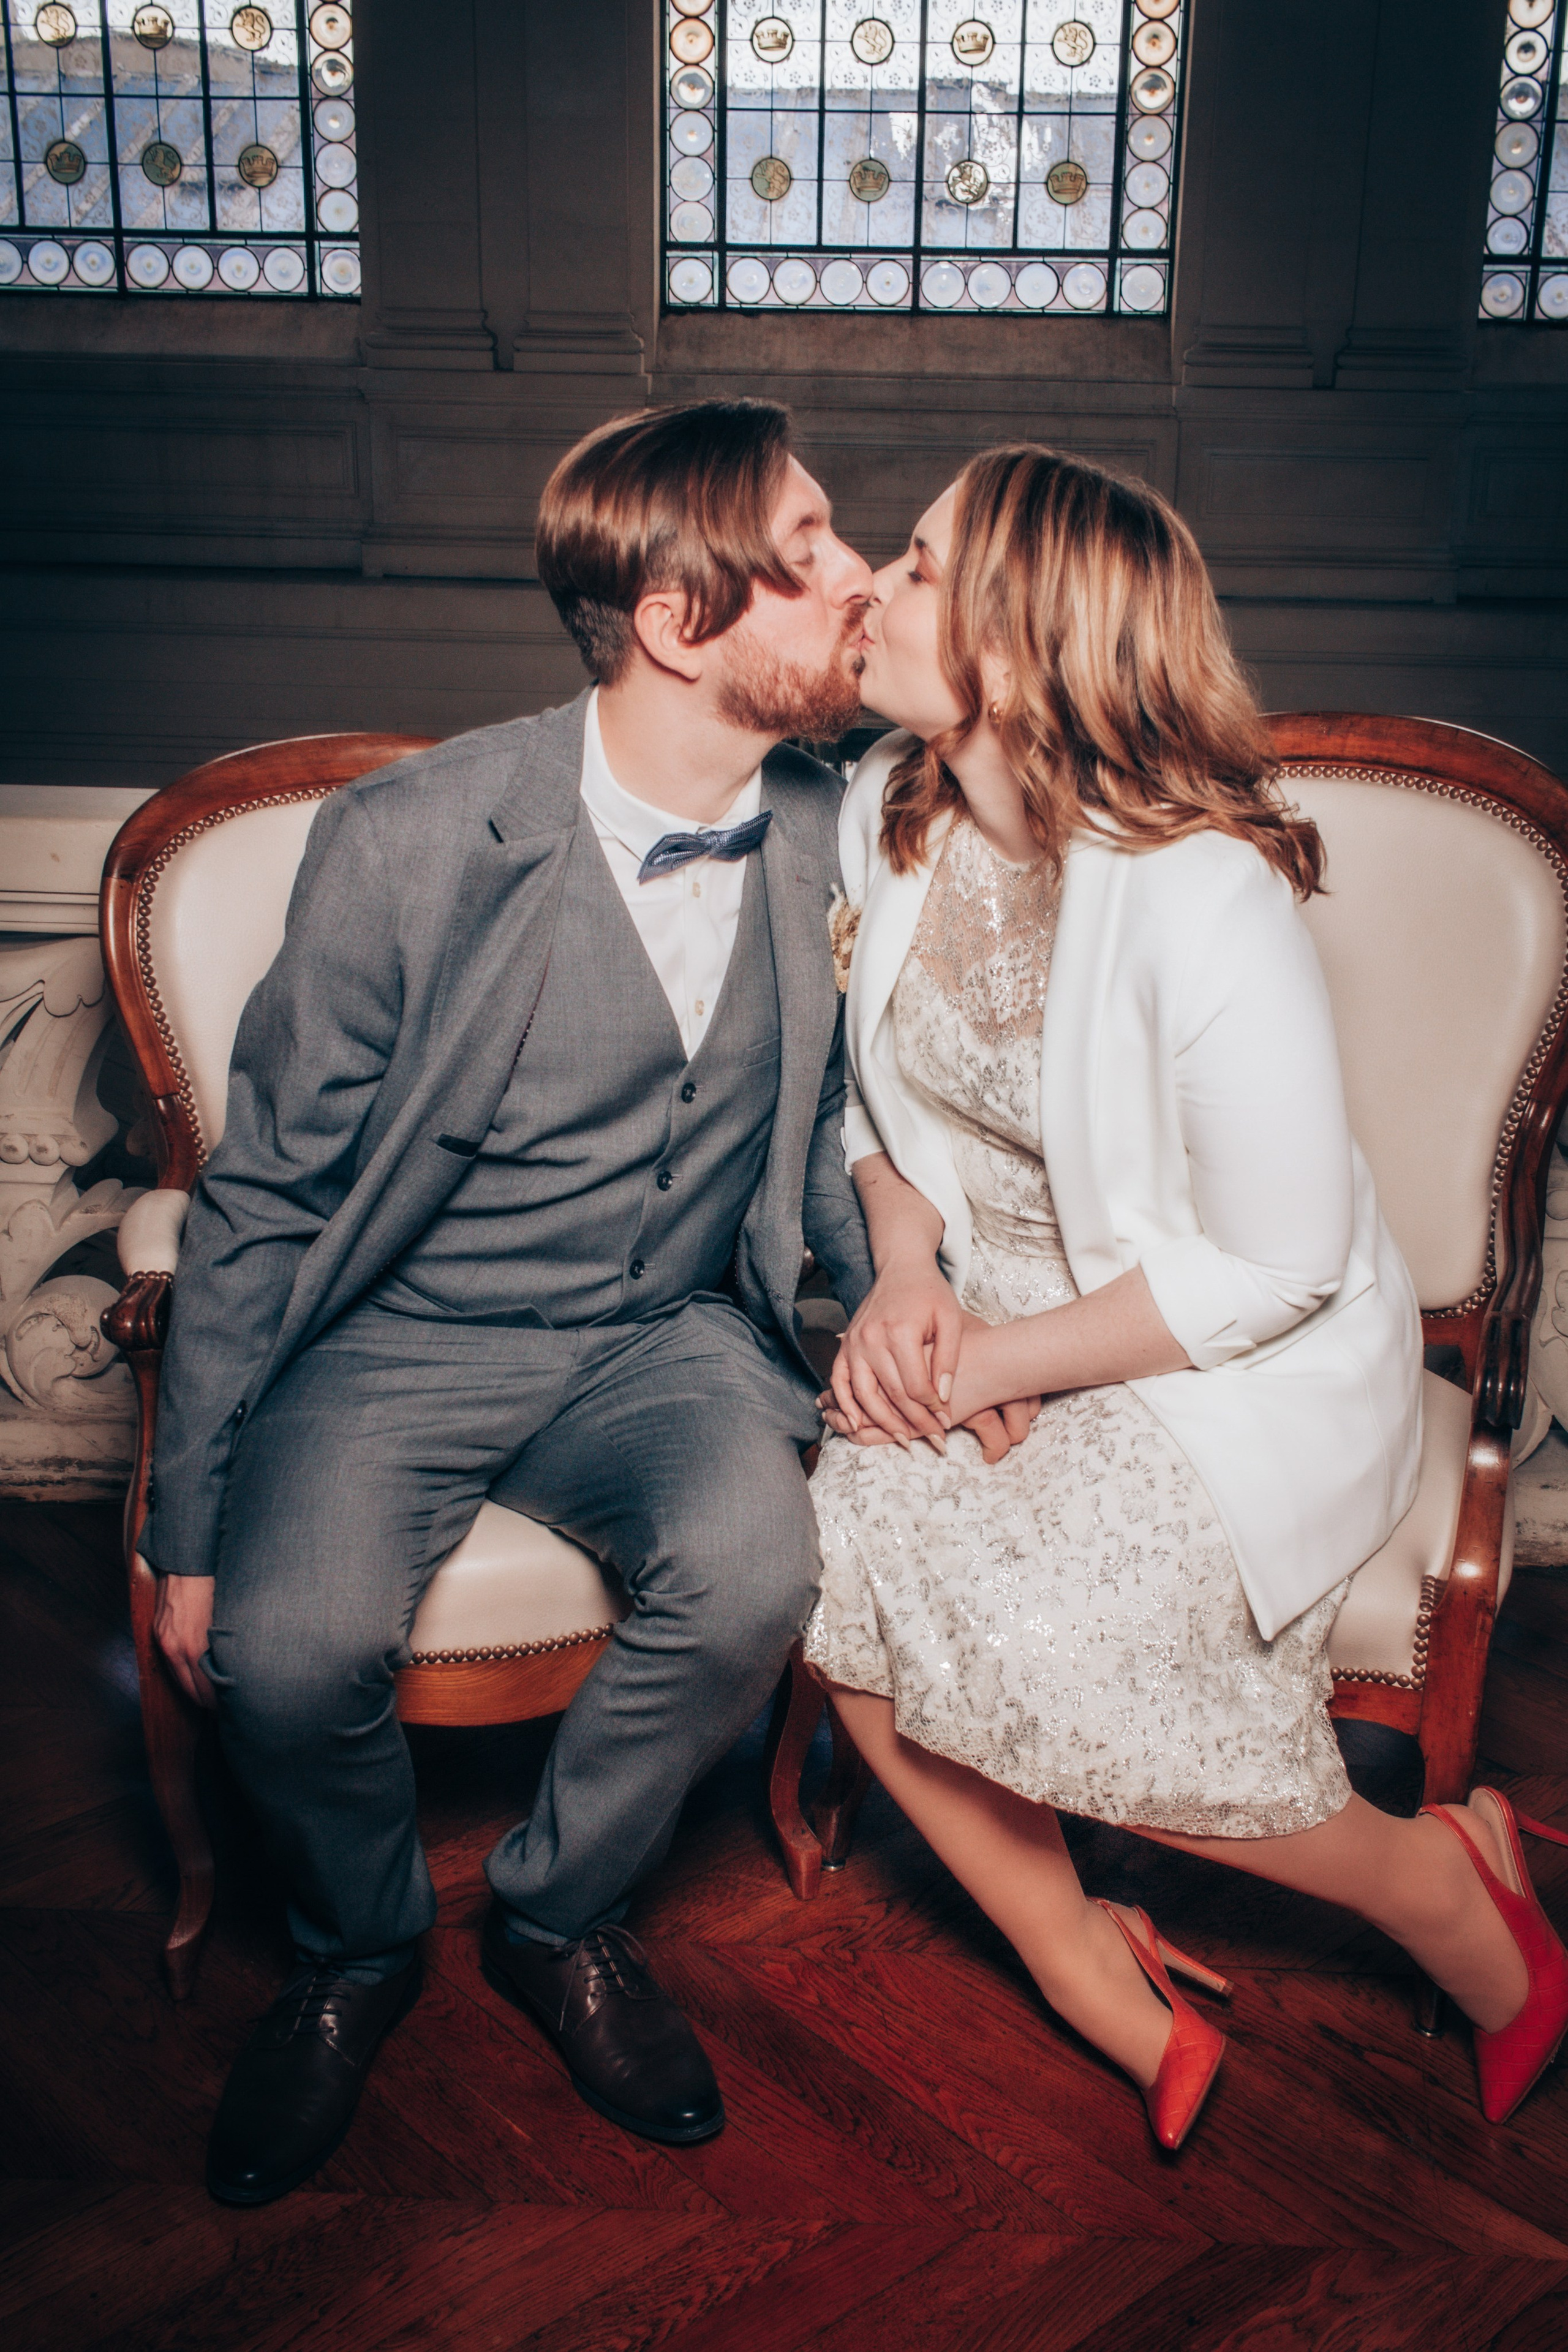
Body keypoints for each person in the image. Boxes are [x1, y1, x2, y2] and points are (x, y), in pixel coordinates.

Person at [143, 399, 910, 2206]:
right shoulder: (406, 840)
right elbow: (264, 1193)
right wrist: (188, 1521)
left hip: (665, 1338)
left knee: (755, 1570)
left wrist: (906, 1332)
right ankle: (358, 1946)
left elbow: (827, 1139)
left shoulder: (831, 829)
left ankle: (560, 1915)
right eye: (808, 551)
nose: (857, 576)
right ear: (675, 616)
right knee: (284, 1652)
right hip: (403, 1335)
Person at [804, 445, 1568, 2152]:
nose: (871, 584)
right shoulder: (884, 804)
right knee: (828, 1553)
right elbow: (876, 1110)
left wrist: (1003, 1357)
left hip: (1220, 1357)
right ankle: (1082, 1960)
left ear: (1024, 636)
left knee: (1054, 1653)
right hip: (988, 1309)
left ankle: (1443, 1891)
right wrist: (914, 1283)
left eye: (918, 566)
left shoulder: (1205, 889)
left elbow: (1274, 1261)